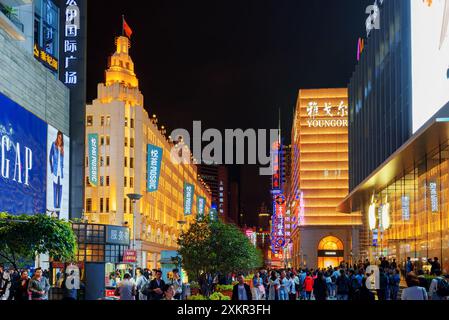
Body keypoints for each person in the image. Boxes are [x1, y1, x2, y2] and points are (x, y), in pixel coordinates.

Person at [49, 131, 65, 215]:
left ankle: (58, 214)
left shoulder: (62, 148)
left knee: (60, 195)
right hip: (55, 173)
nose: (60, 139)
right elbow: (50, 157)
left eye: (61, 138)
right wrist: (52, 169)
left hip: (61, 175)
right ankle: (54, 213)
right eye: (59, 137)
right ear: (57, 137)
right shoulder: (53, 145)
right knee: (55, 193)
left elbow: (62, 163)